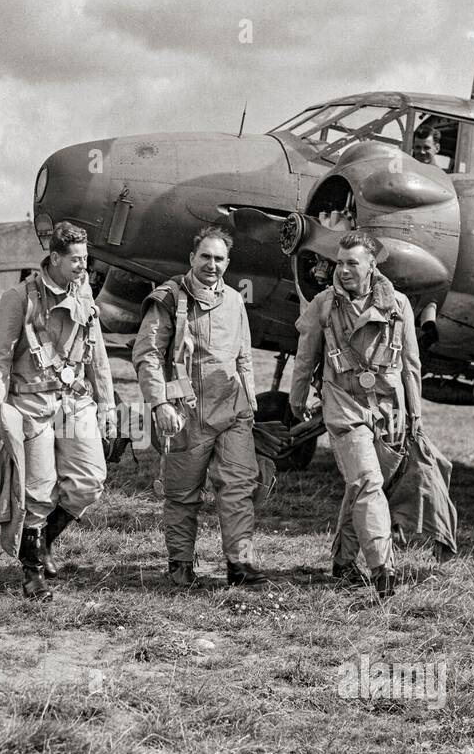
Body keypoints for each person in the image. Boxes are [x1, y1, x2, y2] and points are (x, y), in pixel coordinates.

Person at [0, 222, 118, 600]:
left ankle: (43, 542)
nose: (82, 266)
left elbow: (98, 354)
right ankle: (33, 571)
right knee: (39, 491)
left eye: (85, 259)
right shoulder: (19, 298)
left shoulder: (84, 295)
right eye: (75, 259)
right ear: (55, 258)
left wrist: (106, 404)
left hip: (74, 402)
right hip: (32, 405)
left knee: (89, 482)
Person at [287, 231, 424, 598]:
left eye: (352, 263)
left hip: (387, 409)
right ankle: (384, 569)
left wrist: (416, 412)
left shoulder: (398, 304)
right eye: (340, 262)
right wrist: (297, 399)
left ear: (371, 266)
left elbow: (411, 364)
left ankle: (344, 561)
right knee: (367, 481)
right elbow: (306, 356)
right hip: (343, 405)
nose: (343, 270)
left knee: (361, 484)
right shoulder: (323, 304)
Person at [132, 224, 267, 588]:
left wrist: (250, 403)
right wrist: (159, 403)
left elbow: (244, 357)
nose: (212, 264)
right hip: (185, 414)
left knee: (239, 485)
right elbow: (147, 354)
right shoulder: (168, 299)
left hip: (232, 411)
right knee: (182, 494)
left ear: (228, 262)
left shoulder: (236, 302)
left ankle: (240, 564)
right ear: (192, 258)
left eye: (219, 258)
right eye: (205, 256)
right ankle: (180, 564)